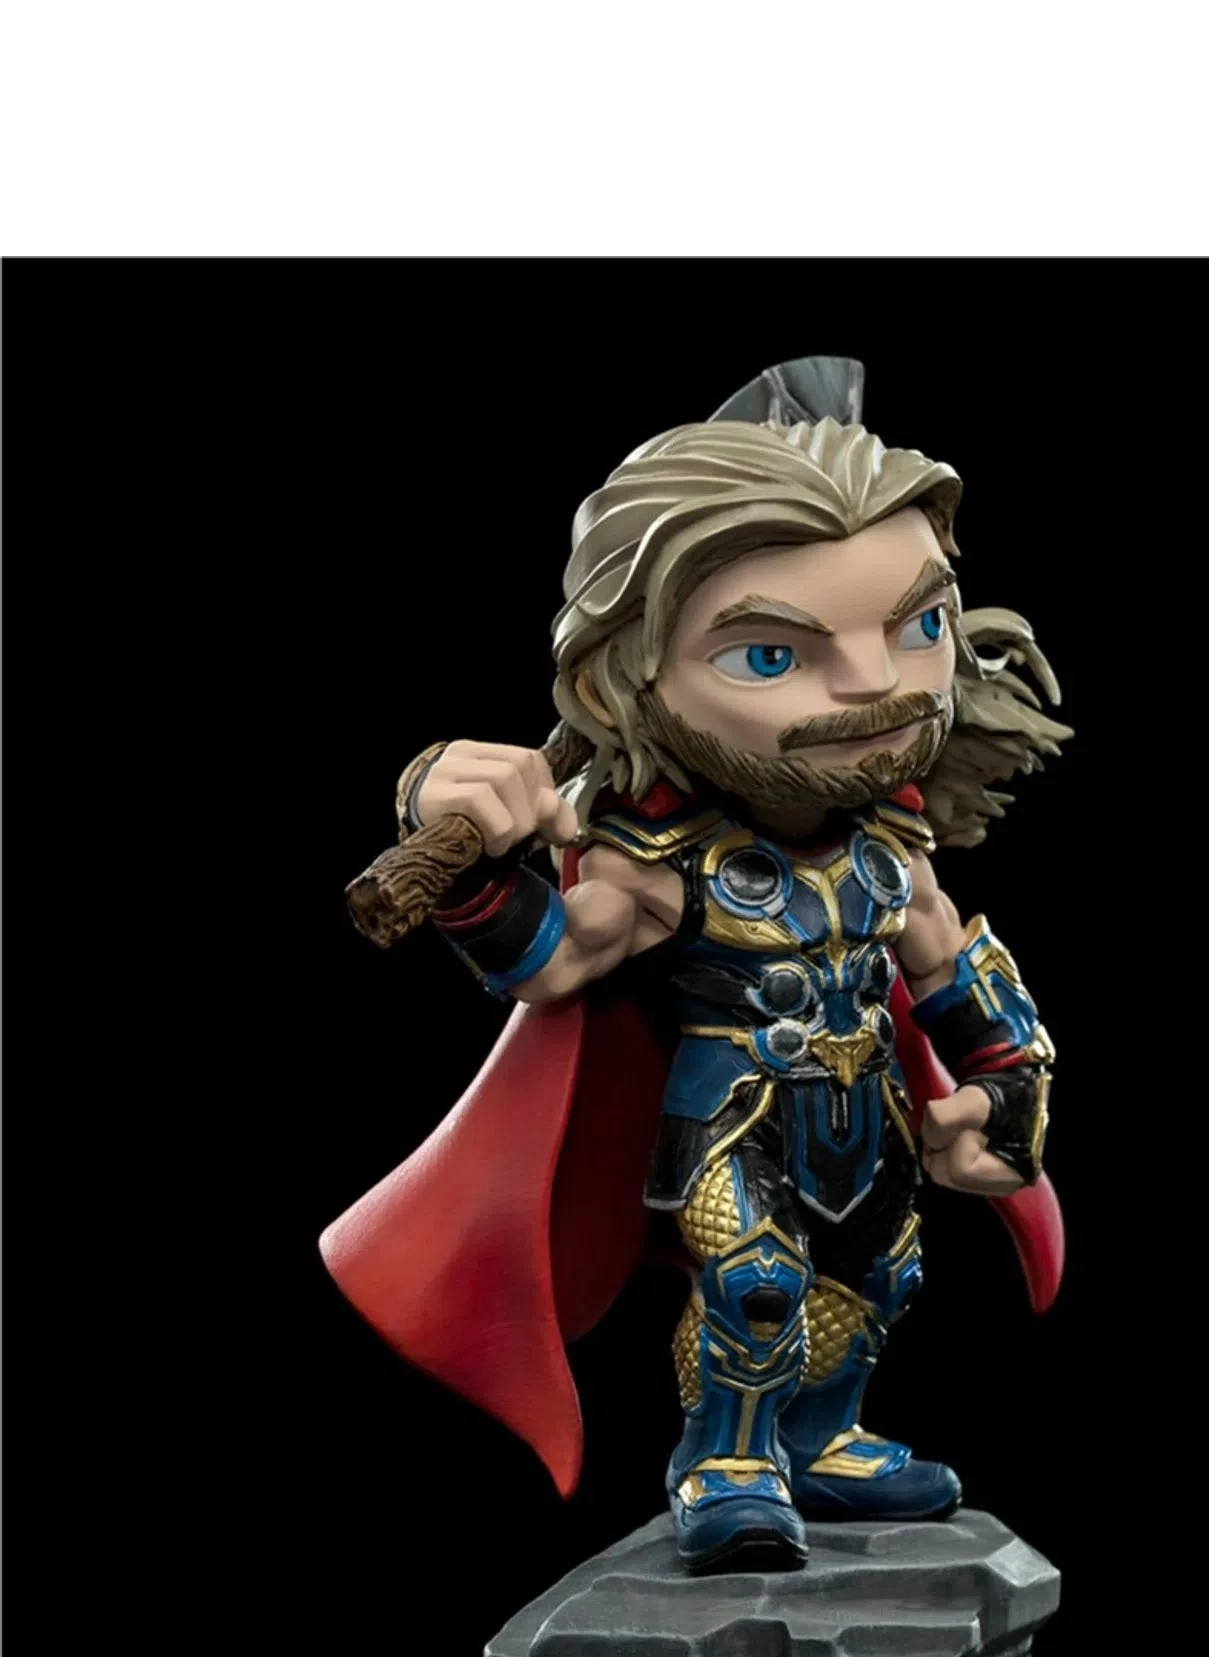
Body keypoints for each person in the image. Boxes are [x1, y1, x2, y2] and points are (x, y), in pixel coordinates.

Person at [323, 362, 1072, 1574]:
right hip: (735, 1114)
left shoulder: (890, 848)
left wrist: (1009, 1088)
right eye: (771, 655)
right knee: (757, 1281)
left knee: (886, 1270)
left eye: (918, 625)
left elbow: (957, 976)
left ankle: (825, 1438)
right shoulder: (671, 862)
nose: (875, 683)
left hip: (869, 1113)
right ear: (622, 684)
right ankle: (726, 1457)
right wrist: (474, 871)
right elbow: (557, 958)